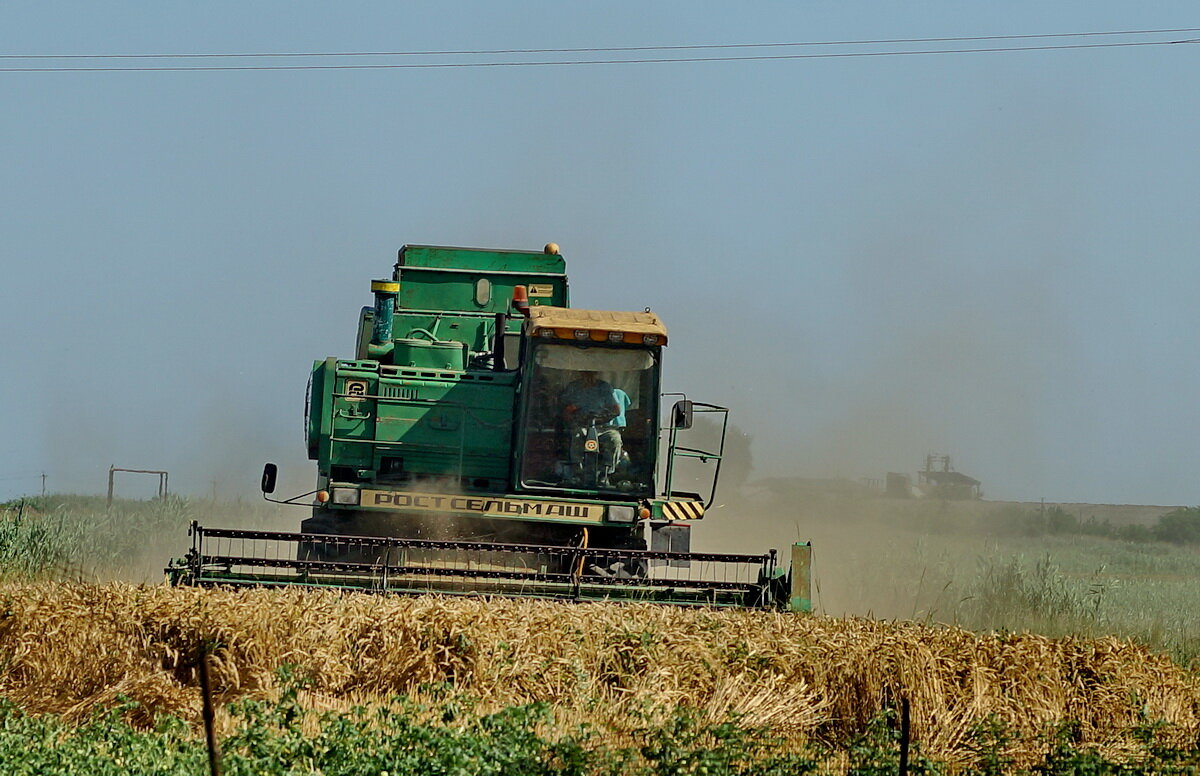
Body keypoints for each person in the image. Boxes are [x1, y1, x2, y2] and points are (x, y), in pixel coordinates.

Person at [561, 371, 624, 485]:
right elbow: (566, 411)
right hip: (581, 425)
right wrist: (573, 416)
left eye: (592, 374)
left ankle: (605, 474)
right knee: (577, 434)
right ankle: (577, 473)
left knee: (614, 439)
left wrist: (603, 417)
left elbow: (616, 410)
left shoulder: (605, 388)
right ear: (581, 374)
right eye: (586, 374)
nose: (589, 377)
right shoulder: (573, 388)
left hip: (604, 427)